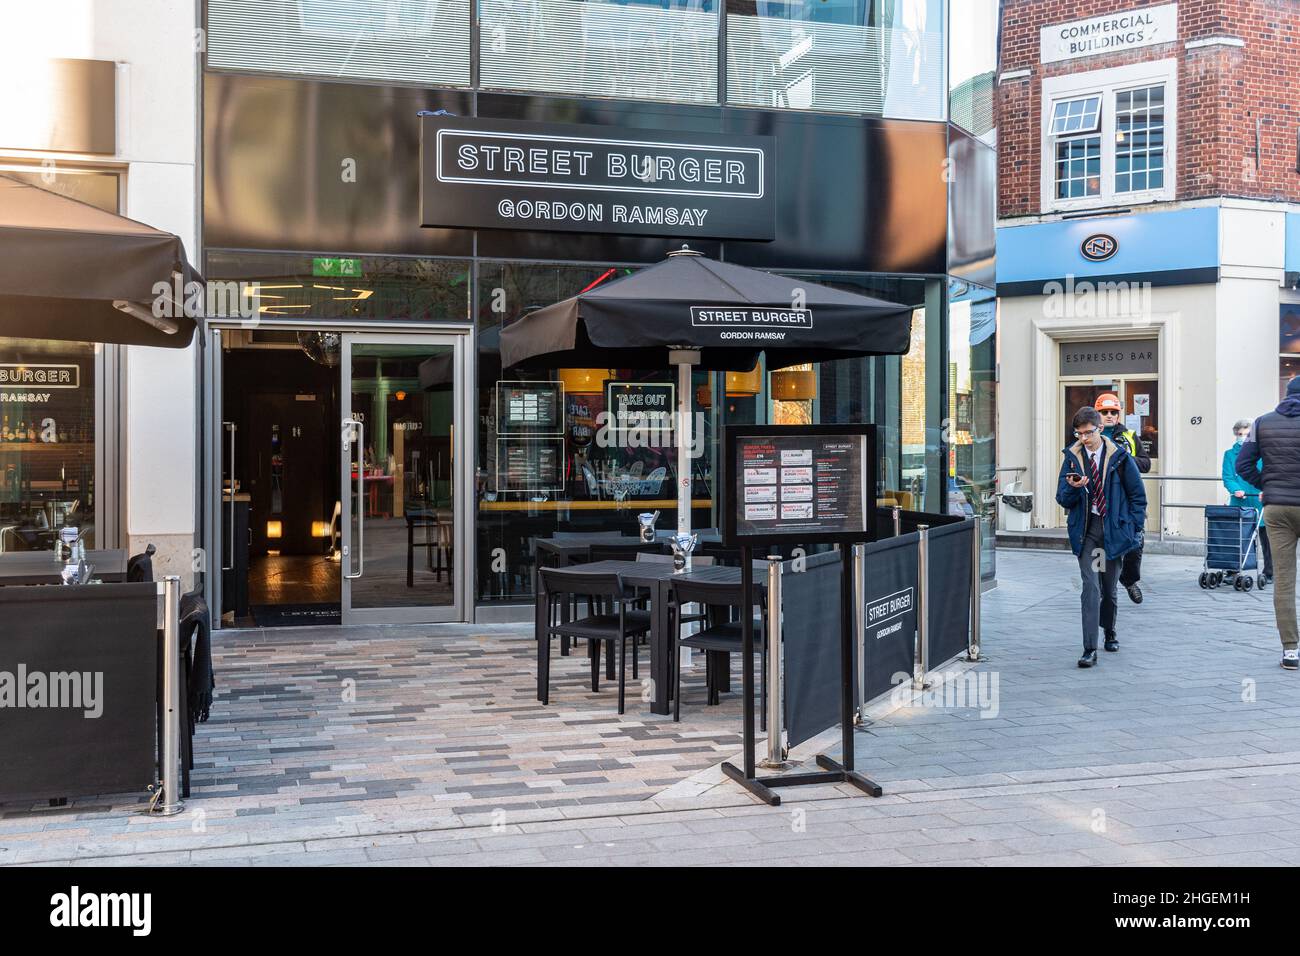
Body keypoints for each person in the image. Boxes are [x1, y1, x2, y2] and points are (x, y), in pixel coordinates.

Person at [1057, 406, 1148, 668]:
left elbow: (1137, 497)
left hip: (1113, 530)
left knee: (1108, 590)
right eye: (1079, 434)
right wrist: (1076, 488)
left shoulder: (1119, 457)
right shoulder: (1072, 458)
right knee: (1091, 587)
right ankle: (1089, 648)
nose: (1084, 439)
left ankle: (1110, 631)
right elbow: (1061, 497)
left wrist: (1132, 527)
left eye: (1088, 433)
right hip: (1087, 531)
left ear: (1099, 428)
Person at [1236, 379, 1300, 670]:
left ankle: (1290, 650)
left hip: (1277, 509)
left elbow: (1243, 466)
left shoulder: (1262, 423)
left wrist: (1268, 485)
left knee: (1284, 580)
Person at [1095, 393, 1151, 603]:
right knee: (1099, 544)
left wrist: (1124, 459)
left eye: (1113, 412)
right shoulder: (1089, 436)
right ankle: (1100, 584)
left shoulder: (1130, 435)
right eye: (1104, 412)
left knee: (1135, 542)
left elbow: (1146, 464)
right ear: (1097, 414)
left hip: (1126, 500)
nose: (1109, 416)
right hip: (1099, 500)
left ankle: (1129, 580)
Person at [1222, 418, 1272, 583]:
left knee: (1267, 540)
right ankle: (1232, 570)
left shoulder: (1263, 453)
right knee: (1238, 538)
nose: (1242, 437)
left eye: (1246, 434)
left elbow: (1269, 473)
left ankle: (1270, 572)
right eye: (1239, 434)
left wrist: (1265, 490)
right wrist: (1235, 489)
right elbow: (1228, 476)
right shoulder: (1229, 454)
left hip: (1259, 500)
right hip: (1240, 502)